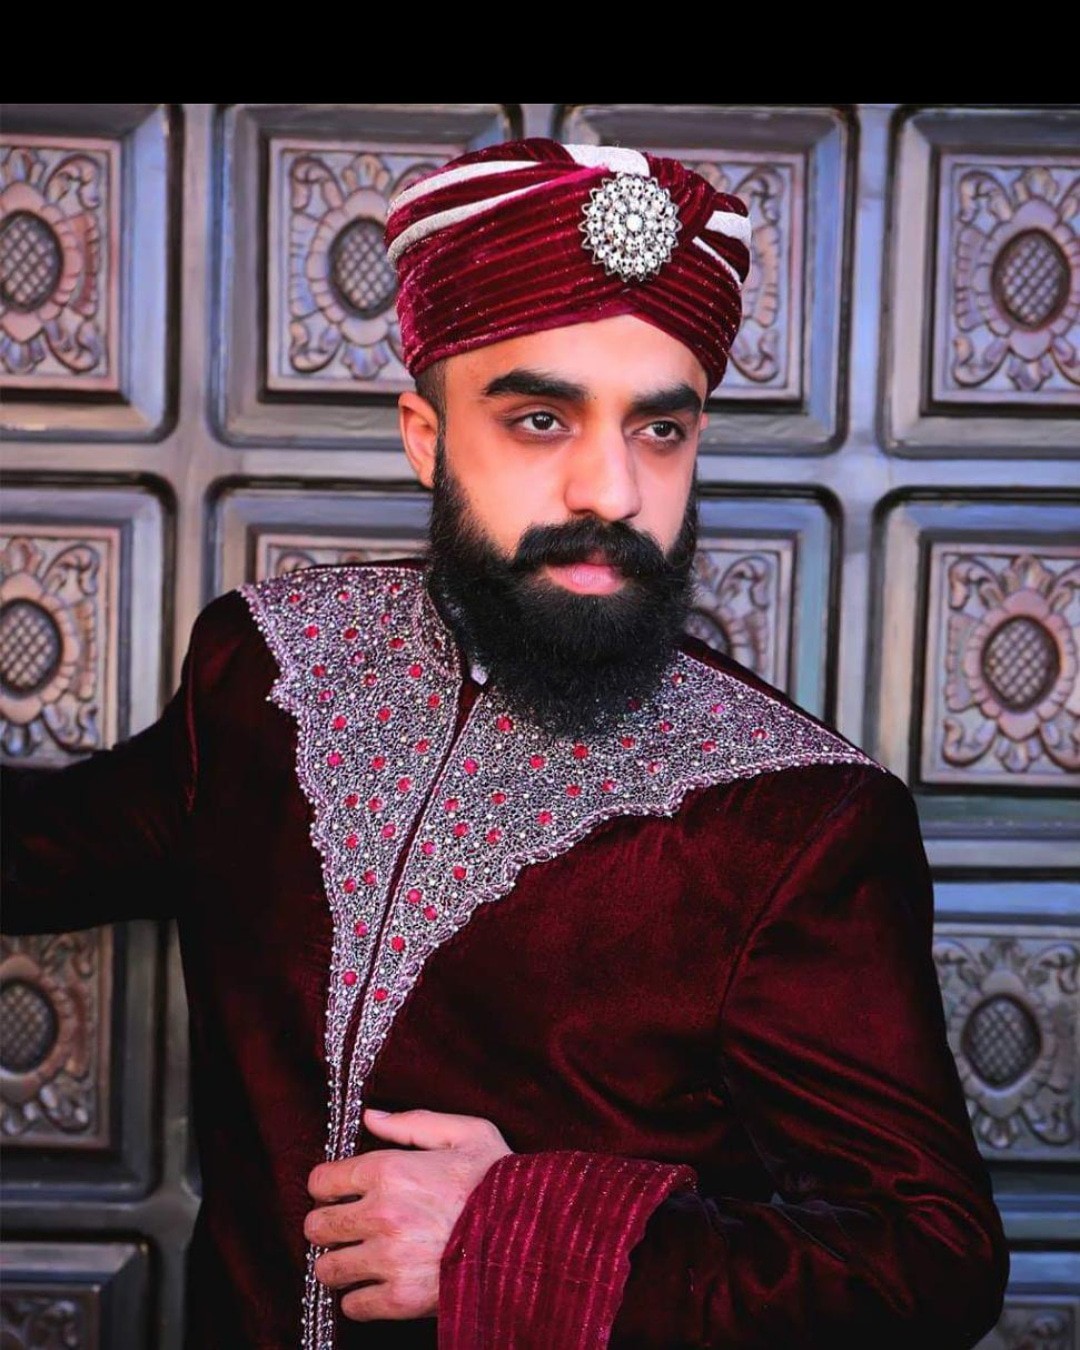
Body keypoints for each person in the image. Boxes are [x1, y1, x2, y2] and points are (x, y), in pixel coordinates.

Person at [2, 138, 1009, 1349]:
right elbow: (48, 850)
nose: (612, 491)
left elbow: (929, 1264)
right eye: (541, 418)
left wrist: (516, 1234)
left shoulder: (795, 818)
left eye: (660, 430)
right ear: (426, 437)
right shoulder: (270, 667)